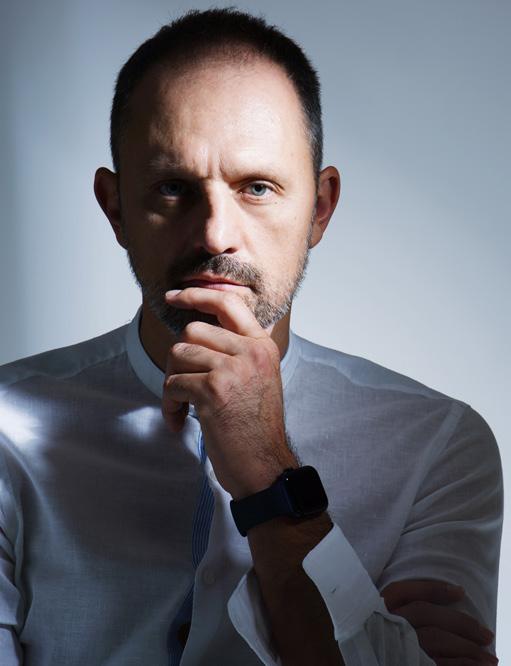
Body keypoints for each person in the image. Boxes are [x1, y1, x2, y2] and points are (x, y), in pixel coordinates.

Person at [0, 7, 503, 666]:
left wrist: (269, 473)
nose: (215, 234)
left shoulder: (436, 447)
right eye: (173, 188)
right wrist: (375, 639)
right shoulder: (6, 432)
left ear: (320, 207)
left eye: (257, 187)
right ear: (115, 208)